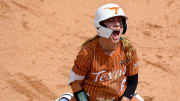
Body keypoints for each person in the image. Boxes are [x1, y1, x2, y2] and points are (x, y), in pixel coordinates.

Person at [57, 3, 144, 101]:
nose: (117, 24)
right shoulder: (88, 53)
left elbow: (133, 81)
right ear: (100, 25)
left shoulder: (128, 49)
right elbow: (75, 83)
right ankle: (66, 98)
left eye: (120, 21)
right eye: (111, 21)